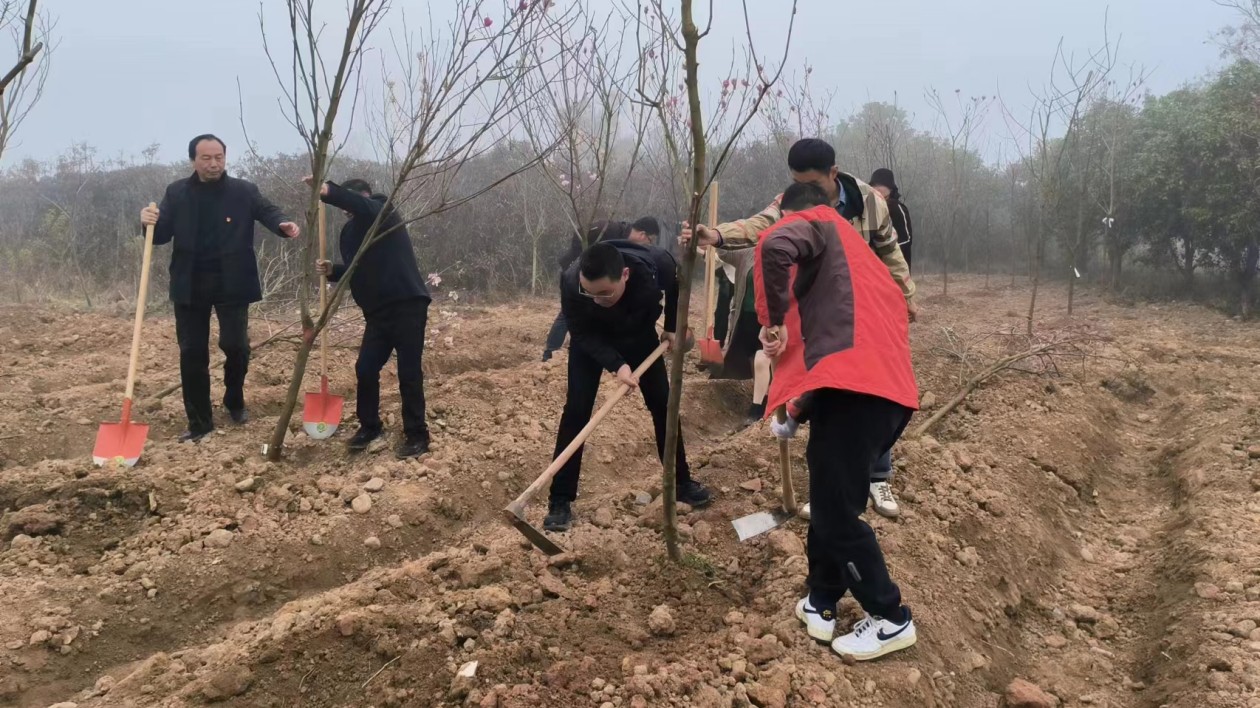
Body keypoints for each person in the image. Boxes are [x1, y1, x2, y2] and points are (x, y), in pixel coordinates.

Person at [682, 138, 916, 517]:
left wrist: (905, 295)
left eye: (814, 182)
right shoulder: (792, 202)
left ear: (833, 173)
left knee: (873, 385)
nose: (807, 188)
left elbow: (889, 249)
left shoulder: (870, 201)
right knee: (830, 394)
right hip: (825, 312)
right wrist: (718, 235)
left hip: (869, 306)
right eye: (796, 179)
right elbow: (763, 227)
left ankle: (878, 476)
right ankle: (830, 487)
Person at [755, 182, 919, 661]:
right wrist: (799, 409)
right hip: (876, 394)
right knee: (829, 498)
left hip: (861, 396)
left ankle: (890, 617)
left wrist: (774, 322)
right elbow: (845, 347)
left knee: (836, 514)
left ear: (791, 210)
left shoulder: (814, 221)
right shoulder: (856, 256)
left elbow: (773, 244)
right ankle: (821, 599)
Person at [543, 240, 714, 531]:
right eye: (590, 292)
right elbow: (580, 332)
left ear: (624, 275)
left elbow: (676, 285)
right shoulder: (572, 281)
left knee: (663, 404)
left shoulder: (656, 263)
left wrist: (672, 326)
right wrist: (617, 365)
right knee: (576, 412)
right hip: (591, 343)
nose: (596, 299)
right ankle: (560, 500)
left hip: (638, 336)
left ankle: (680, 481)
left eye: (605, 293)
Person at [140, 134, 299, 442]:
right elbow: (159, 236)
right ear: (193, 161)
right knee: (191, 352)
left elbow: (269, 211)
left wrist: (283, 224)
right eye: (206, 158)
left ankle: (234, 399)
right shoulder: (176, 193)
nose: (213, 164)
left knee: (236, 346)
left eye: (219, 158)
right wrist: (147, 222)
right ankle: (200, 422)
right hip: (190, 284)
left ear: (225, 158)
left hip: (232, 281)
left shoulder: (243, 191)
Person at [311, 177, 432, 458]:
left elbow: (364, 206)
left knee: (409, 372)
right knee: (365, 368)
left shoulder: (383, 210)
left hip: (407, 305)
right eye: (344, 207)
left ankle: (417, 434)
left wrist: (329, 191)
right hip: (377, 313)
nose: (347, 210)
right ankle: (369, 426)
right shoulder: (350, 232)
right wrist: (332, 270)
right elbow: (358, 267)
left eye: (351, 202)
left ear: (364, 196)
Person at [867, 167, 916, 517]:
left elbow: (900, 258)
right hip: (847, 312)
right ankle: (834, 480)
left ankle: (878, 475)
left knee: (883, 392)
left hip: (883, 309)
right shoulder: (851, 211)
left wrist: (904, 297)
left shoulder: (893, 211)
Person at [542, 218, 659, 361]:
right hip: (580, 272)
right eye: (651, 240)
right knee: (567, 314)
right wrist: (585, 267)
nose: (649, 245)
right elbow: (580, 236)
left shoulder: (625, 242)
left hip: (598, 282)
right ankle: (550, 352)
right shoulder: (608, 229)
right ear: (642, 234)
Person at [706, 248, 771, 426]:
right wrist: (714, 237)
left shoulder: (787, 254)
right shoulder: (749, 254)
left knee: (761, 359)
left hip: (772, 319)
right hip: (746, 317)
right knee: (750, 357)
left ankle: (760, 407)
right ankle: (763, 400)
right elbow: (724, 252)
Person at [868, 168, 913, 271]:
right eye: (874, 185)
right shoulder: (870, 208)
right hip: (876, 271)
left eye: (881, 185)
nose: (877, 189)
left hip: (897, 269)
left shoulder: (897, 208)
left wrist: (887, 255)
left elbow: (906, 240)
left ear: (890, 188)